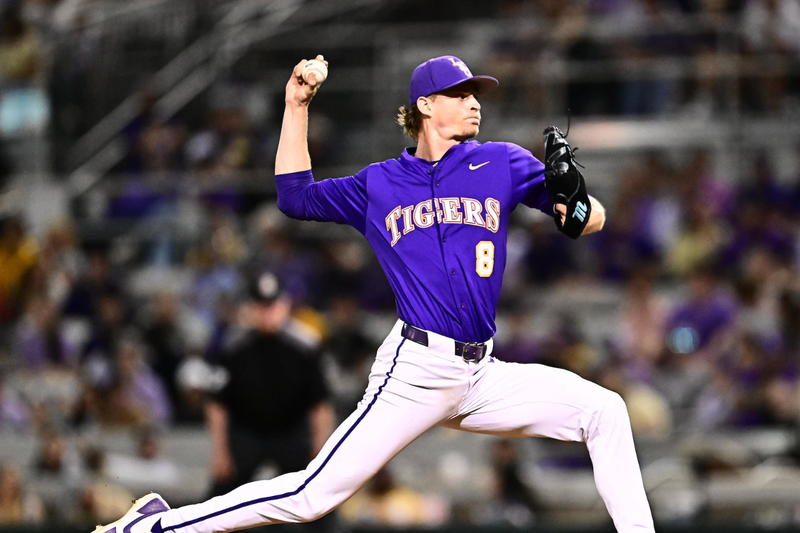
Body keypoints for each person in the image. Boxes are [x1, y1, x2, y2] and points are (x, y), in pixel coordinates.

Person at [93, 55, 654, 533]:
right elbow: (294, 195)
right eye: (461, 94)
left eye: (477, 94)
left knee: (605, 410)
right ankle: (156, 525)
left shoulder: (501, 161)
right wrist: (297, 106)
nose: (475, 102)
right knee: (311, 495)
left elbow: (587, 221)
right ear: (426, 106)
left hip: (483, 374)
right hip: (415, 371)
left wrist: (575, 196)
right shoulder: (379, 184)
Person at [204, 271, 335, 499]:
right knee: (218, 497)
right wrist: (220, 452)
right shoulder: (233, 348)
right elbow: (217, 404)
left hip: (292, 433)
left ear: (285, 305)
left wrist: (319, 448)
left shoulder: (305, 347)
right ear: (252, 308)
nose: (268, 312)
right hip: (247, 433)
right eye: (261, 306)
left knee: (316, 499)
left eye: (273, 305)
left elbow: (320, 404)